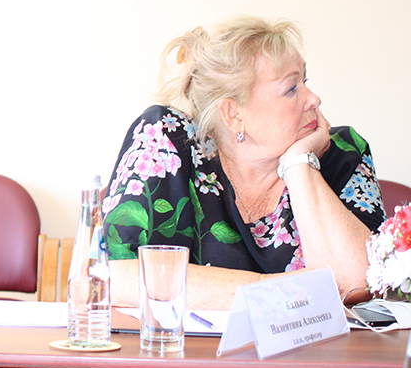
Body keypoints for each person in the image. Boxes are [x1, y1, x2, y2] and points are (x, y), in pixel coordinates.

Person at [102, 16, 383, 309]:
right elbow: (114, 277)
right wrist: (271, 290)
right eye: (291, 88)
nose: (314, 99)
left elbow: (359, 285)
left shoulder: (342, 154)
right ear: (234, 115)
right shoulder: (168, 139)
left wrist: (300, 164)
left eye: (305, 81)